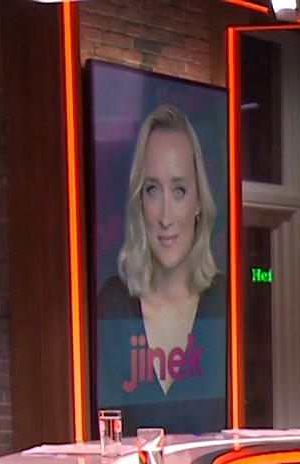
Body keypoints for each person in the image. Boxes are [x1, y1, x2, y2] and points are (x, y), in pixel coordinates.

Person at [96, 104, 226, 434]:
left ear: (199, 202)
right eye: (153, 190)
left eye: (179, 191)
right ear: (139, 202)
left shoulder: (225, 303)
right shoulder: (113, 305)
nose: (166, 217)